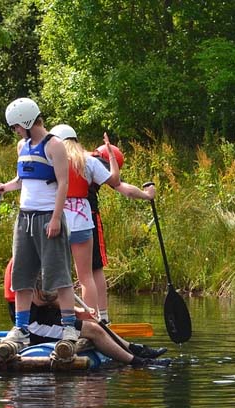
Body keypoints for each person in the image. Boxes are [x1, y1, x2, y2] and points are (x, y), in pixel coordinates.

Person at [0, 98, 78, 350]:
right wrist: (5, 187)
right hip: (25, 218)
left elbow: (63, 183)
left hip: (47, 218)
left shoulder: (54, 146)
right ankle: (21, 328)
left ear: (28, 121)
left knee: (59, 274)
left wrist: (55, 218)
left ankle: (69, 327)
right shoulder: (22, 146)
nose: (15, 131)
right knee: (21, 274)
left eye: (17, 126)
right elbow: (22, 179)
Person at [49, 124, 122, 317]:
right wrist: (112, 156)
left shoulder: (51, 161)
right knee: (86, 276)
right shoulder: (89, 161)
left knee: (58, 276)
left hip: (58, 223)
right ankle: (94, 320)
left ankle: (63, 318)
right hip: (83, 223)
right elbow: (115, 180)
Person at [87, 134, 155, 323]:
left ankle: (71, 316)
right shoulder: (99, 163)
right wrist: (147, 195)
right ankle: (103, 317)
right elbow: (125, 188)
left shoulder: (76, 158)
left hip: (62, 218)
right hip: (88, 218)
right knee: (96, 268)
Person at [24, 290, 170, 367]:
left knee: (93, 322)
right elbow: (39, 298)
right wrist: (61, 287)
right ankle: (137, 362)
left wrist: (77, 310)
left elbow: (50, 297)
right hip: (36, 325)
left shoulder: (41, 258)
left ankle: (133, 348)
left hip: (48, 317)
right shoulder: (26, 263)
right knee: (94, 330)